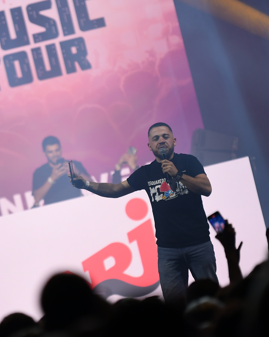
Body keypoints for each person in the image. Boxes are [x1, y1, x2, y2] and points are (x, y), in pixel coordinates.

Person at [70, 122, 218, 305]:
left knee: (211, 297)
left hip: (199, 244)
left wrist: (178, 175)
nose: (161, 141)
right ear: (149, 146)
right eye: (156, 138)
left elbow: (206, 188)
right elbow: (115, 189)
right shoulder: (146, 173)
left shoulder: (189, 162)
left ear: (174, 140)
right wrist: (86, 184)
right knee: (174, 307)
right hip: (168, 251)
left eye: (165, 136)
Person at [32, 136, 90, 206]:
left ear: (61, 149)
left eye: (57, 150)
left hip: (78, 205)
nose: (55, 154)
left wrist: (76, 171)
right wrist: (52, 179)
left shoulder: (73, 164)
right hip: (54, 210)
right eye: (50, 152)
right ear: (44, 153)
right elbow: (37, 198)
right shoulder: (39, 172)